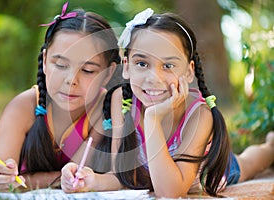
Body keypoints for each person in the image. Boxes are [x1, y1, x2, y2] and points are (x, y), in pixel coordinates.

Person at [99, 8, 274, 198]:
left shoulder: (199, 115)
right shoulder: (122, 100)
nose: (153, 78)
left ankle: (270, 147)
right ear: (126, 66)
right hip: (152, 176)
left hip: (208, 172)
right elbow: (121, 173)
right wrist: (87, 180)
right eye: (142, 63)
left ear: (189, 72)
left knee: (248, 163)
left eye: (168, 66)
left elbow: (170, 192)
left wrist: (153, 119)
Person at [0, 2, 121, 192]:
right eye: (60, 65)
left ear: (108, 73)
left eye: (87, 70)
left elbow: (75, 176)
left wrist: (26, 181)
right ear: (45, 61)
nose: (71, 80)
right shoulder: (24, 106)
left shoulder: (106, 108)